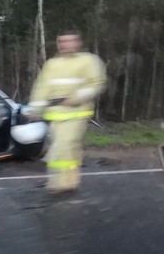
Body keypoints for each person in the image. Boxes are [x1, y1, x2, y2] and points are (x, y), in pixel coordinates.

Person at [24, 30, 107, 195]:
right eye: (62, 41)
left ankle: (58, 183)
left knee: (63, 146)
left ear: (78, 43)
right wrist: (35, 108)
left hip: (76, 113)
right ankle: (69, 180)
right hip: (55, 115)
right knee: (69, 148)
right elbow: (42, 88)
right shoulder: (51, 64)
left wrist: (77, 97)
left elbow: (97, 83)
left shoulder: (88, 61)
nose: (65, 44)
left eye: (70, 41)